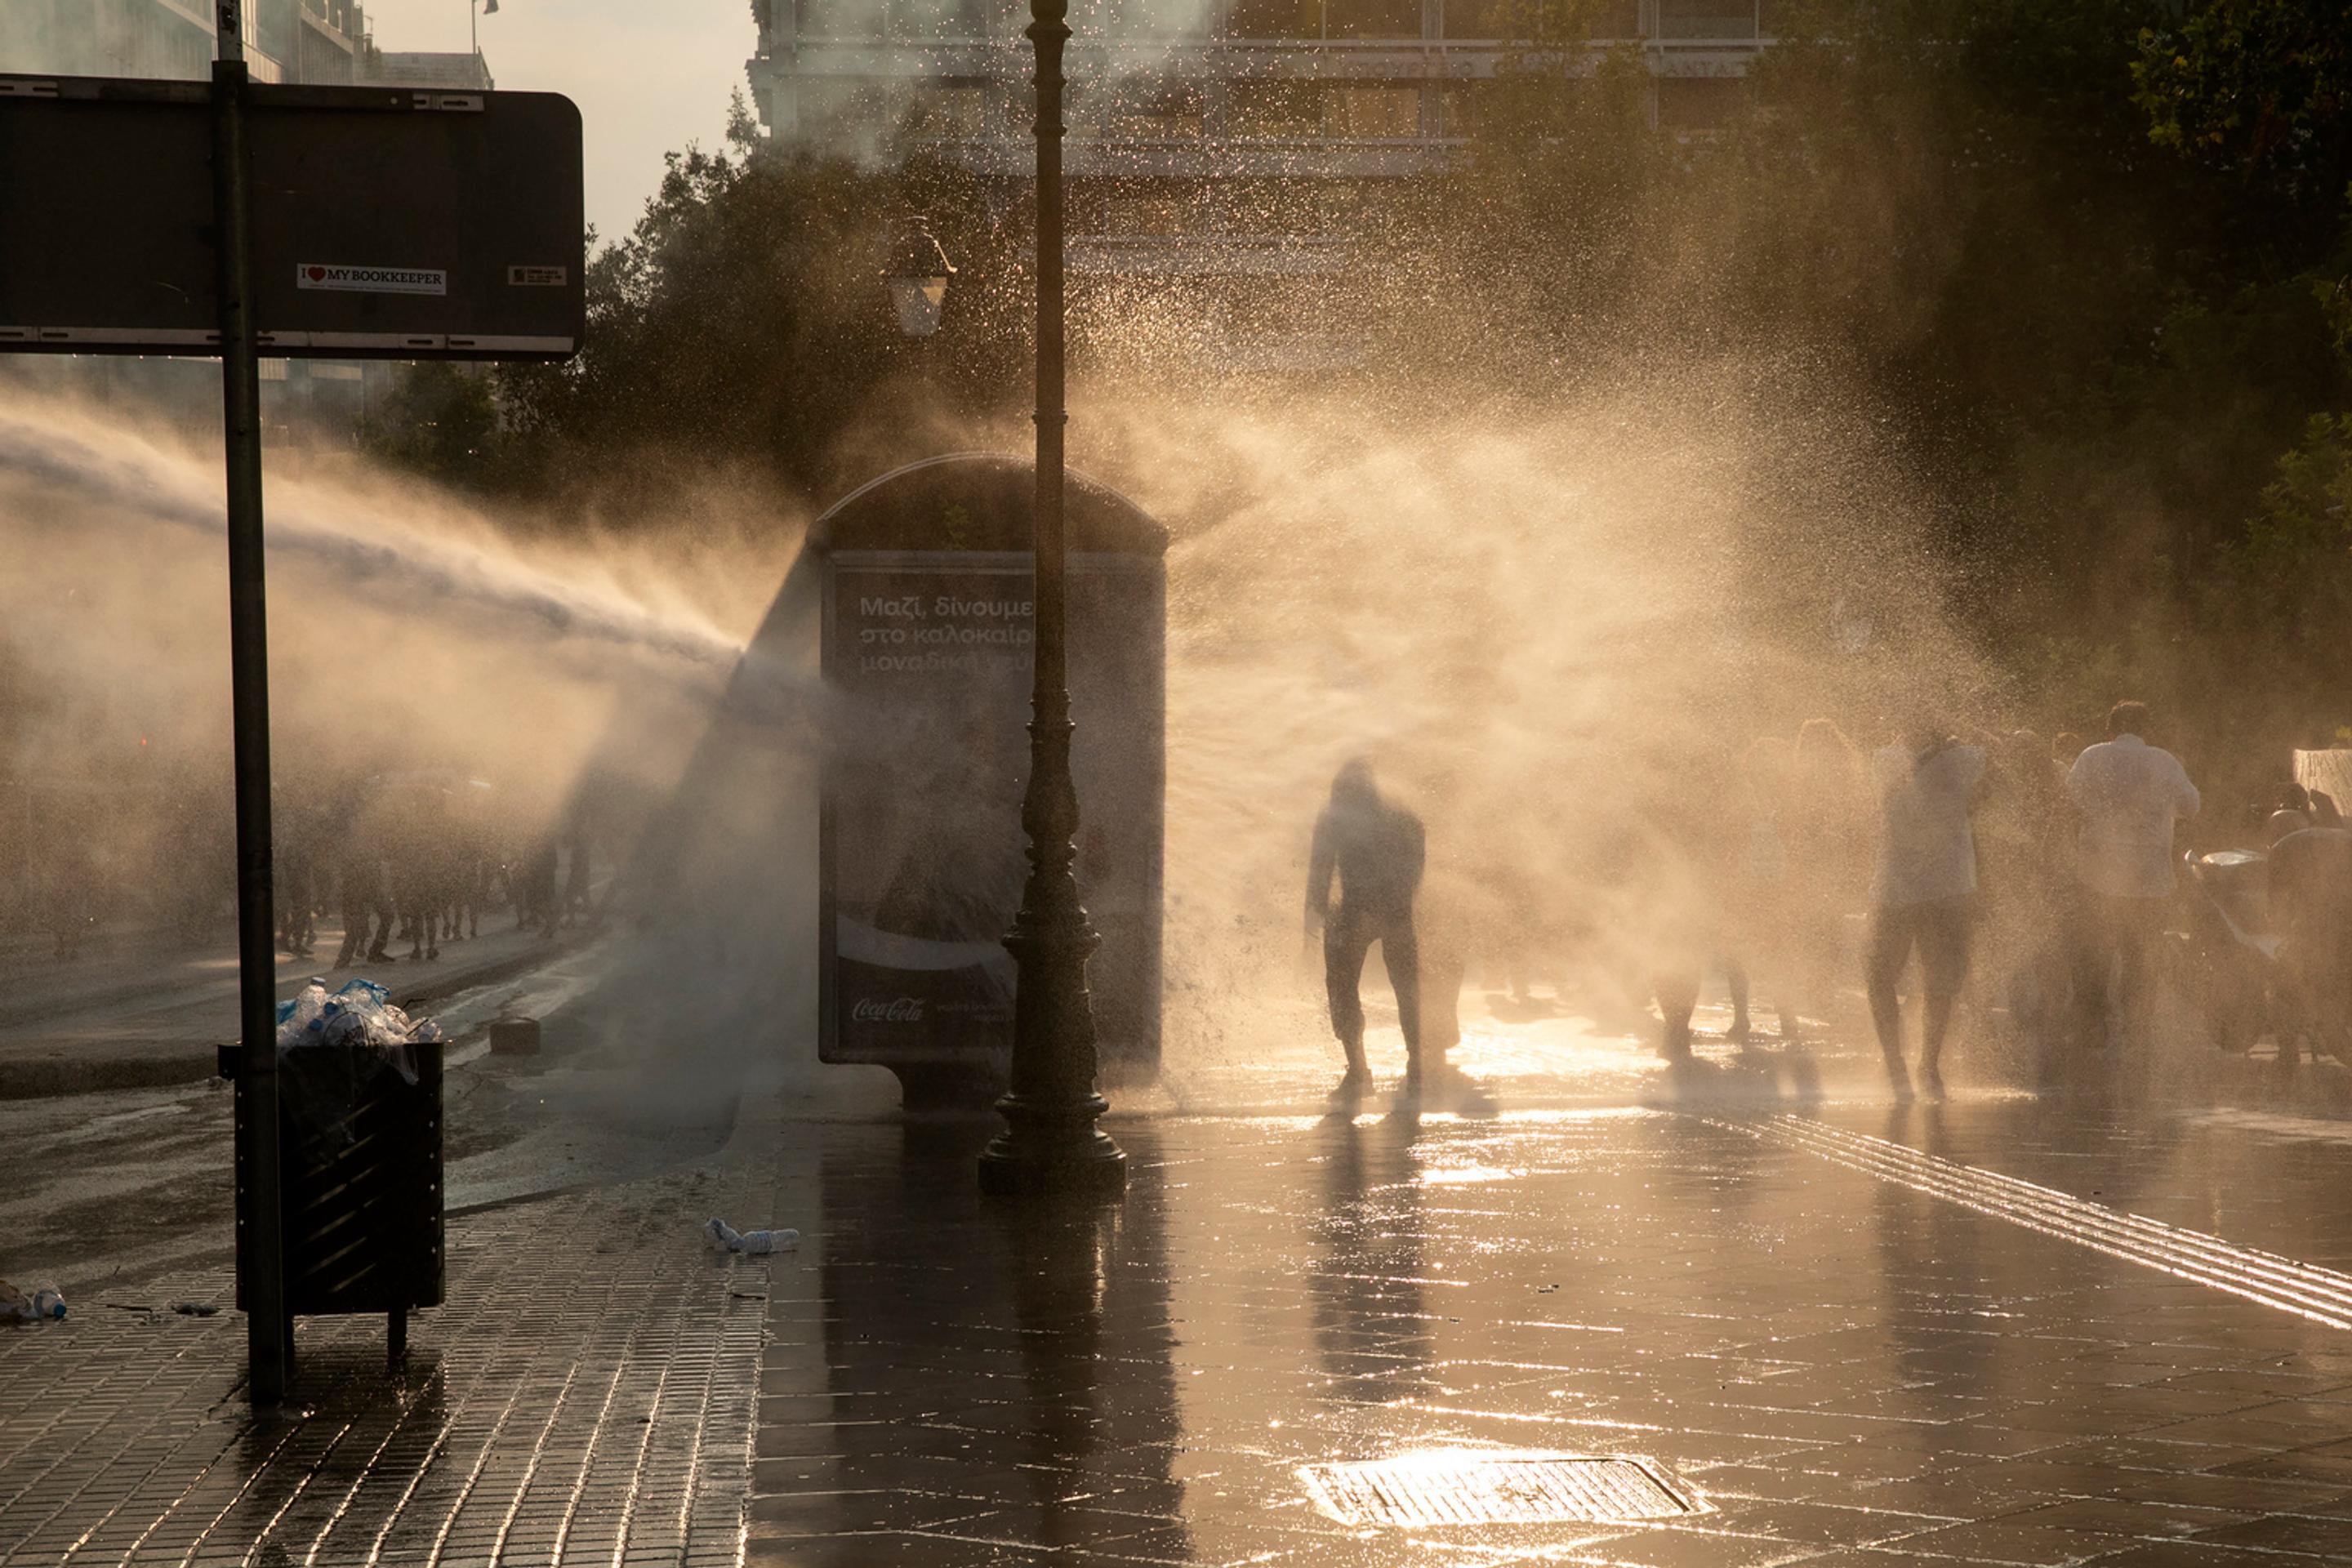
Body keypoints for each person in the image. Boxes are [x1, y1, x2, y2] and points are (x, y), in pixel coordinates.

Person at [1864, 718, 1989, 1101]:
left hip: (1896, 887)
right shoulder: (1967, 758)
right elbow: (1985, 792)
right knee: (1940, 980)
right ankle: (1929, 1066)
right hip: (1948, 885)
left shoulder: (1885, 758)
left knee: (1881, 976)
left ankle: (1896, 1063)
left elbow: (1885, 799)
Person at [2065, 701, 2199, 1056]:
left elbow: (2070, 799)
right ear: (2145, 729)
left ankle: (2091, 1035)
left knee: (2094, 956)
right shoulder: (2164, 761)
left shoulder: (2091, 756)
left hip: (2097, 877)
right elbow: (2192, 805)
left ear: (2110, 728)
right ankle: (2135, 1037)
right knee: (2139, 960)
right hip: (2150, 880)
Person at [1305, 760, 1426, 1099]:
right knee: (1407, 988)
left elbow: (1319, 873)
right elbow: (1417, 859)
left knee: (1341, 987)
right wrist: (1403, 900)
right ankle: (1416, 1067)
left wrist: (1312, 920)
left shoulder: (1333, 819)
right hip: (1397, 911)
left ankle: (1358, 1072)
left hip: (1355, 910)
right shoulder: (1402, 818)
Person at [2266, 824, 2352, 1070]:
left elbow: (2276, 912)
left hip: (2320, 931)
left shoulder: (2280, 850)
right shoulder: (2335, 835)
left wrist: (2285, 936)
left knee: (2283, 987)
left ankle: (2288, 1052)